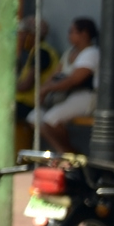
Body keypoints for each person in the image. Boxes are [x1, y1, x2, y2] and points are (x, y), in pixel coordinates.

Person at [35, 16, 100, 152]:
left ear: (84, 34)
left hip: (85, 96)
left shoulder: (91, 53)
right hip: (63, 96)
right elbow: (54, 74)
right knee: (34, 117)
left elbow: (74, 80)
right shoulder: (69, 52)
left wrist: (47, 89)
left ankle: (69, 154)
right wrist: (44, 91)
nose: (69, 35)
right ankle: (66, 153)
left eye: (72, 31)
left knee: (50, 120)